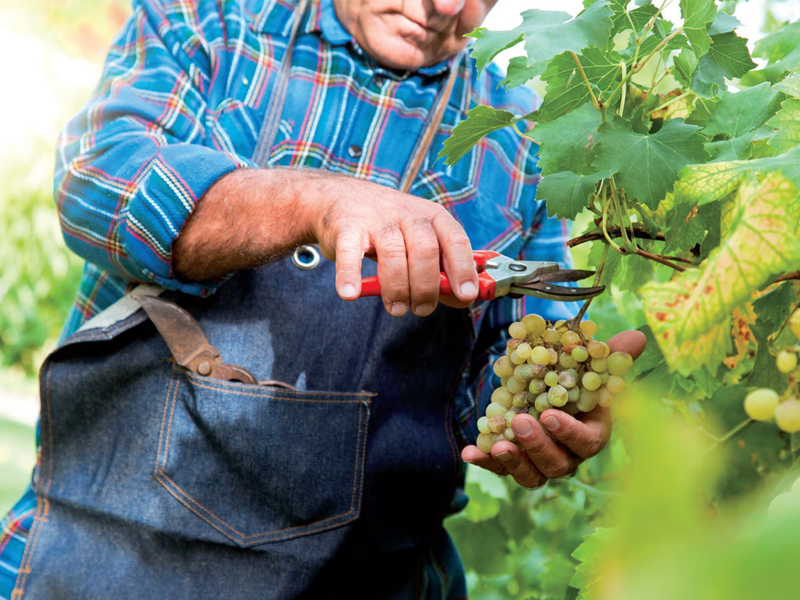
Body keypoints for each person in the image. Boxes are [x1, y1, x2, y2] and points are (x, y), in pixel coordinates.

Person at [0, 0, 646, 598]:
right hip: (106, 563)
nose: (448, 7)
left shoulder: (524, 134)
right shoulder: (208, 22)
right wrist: (309, 204)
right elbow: (97, 183)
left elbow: (509, 360)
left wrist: (542, 413)